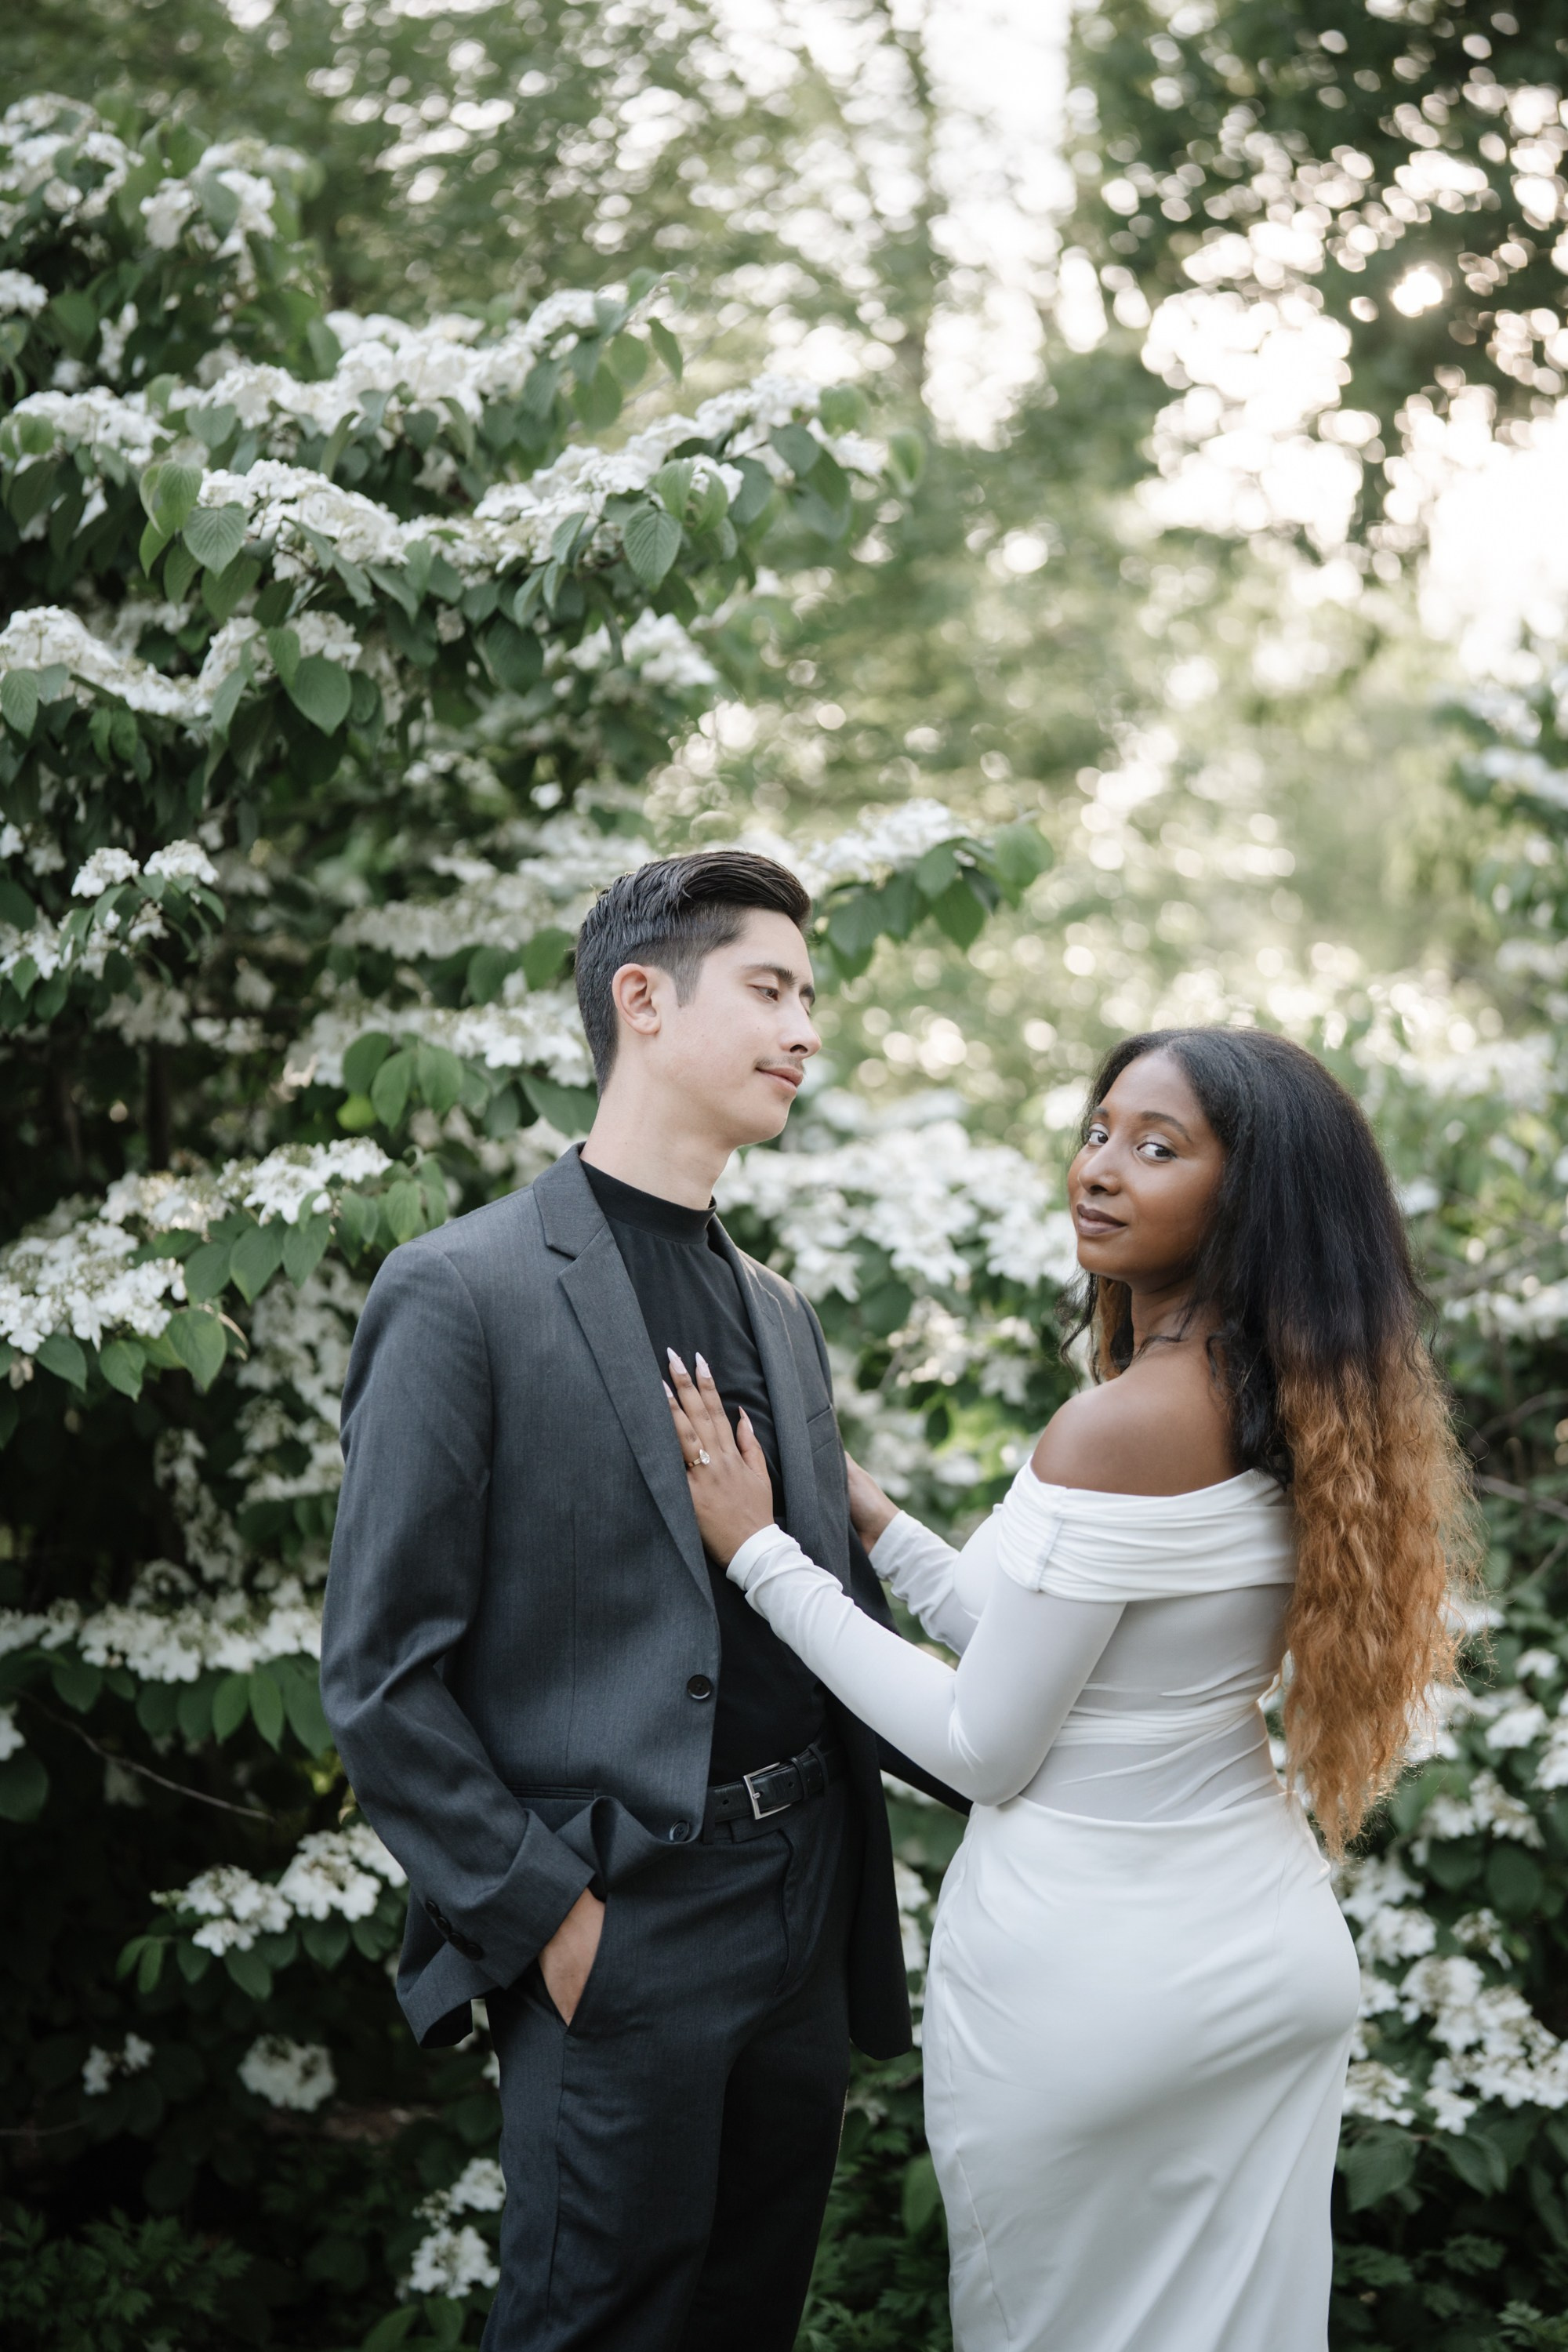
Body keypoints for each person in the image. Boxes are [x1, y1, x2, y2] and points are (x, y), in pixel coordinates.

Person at [666, 1025, 1476, 2352]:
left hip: (1099, 1989)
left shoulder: (1121, 1424)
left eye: (1159, 1148)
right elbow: (1041, 1636)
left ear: (1248, 1199)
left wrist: (757, 1549)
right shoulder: (1293, 1401)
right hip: (1263, 1958)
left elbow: (982, 1742)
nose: (1101, 1169)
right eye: (1100, 1131)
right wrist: (861, 1511)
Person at [320, 849, 955, 2352]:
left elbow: (827, 1611)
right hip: (618, 1918)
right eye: (774, 988)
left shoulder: (781, 1314)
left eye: (813, 996)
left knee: (748, 2323)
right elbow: (379, 1672)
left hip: (805, 1902)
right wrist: (549, 1920)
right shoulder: (459, 1289)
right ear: (643, 1000)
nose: (809, 1029)